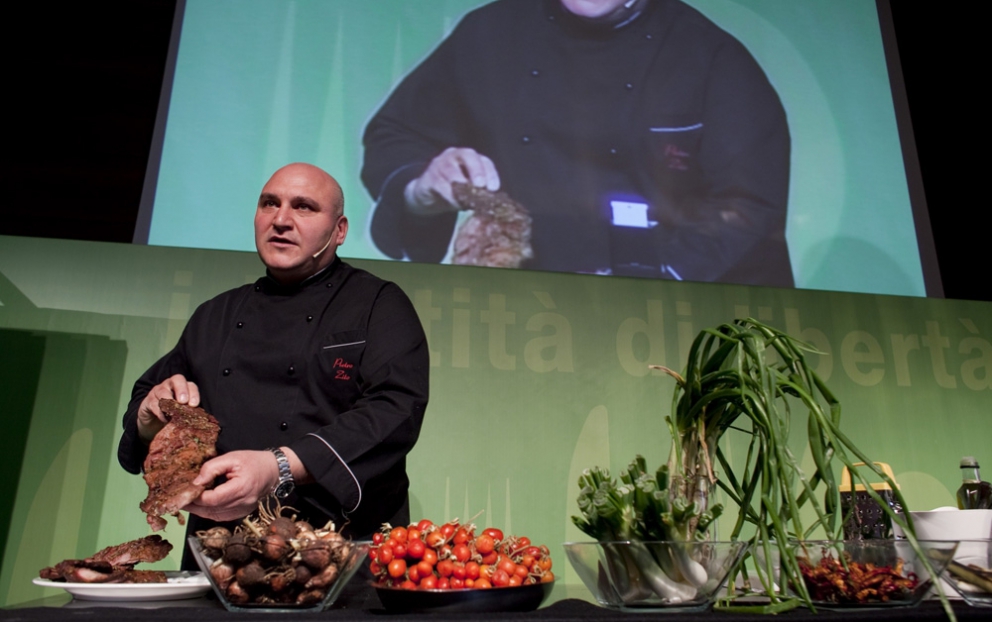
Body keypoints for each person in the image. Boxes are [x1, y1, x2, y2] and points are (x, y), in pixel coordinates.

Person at [118, 163, 429, 568]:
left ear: (339, 231)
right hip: (223, 555)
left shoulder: (378, 305)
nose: (281, 220)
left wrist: (277, 466)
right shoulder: (216, 314)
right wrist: (148, 418)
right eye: (270, 204)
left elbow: (395, 410)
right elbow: (148, 401)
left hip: (337, 552)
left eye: (304, 207)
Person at [362, 0, 794, 286]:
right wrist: (421, 190)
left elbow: (748, 207)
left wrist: (655, 281)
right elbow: (396, 134)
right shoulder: (493, 32)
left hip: (680, 311)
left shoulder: (710, 56)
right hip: (529, 305)